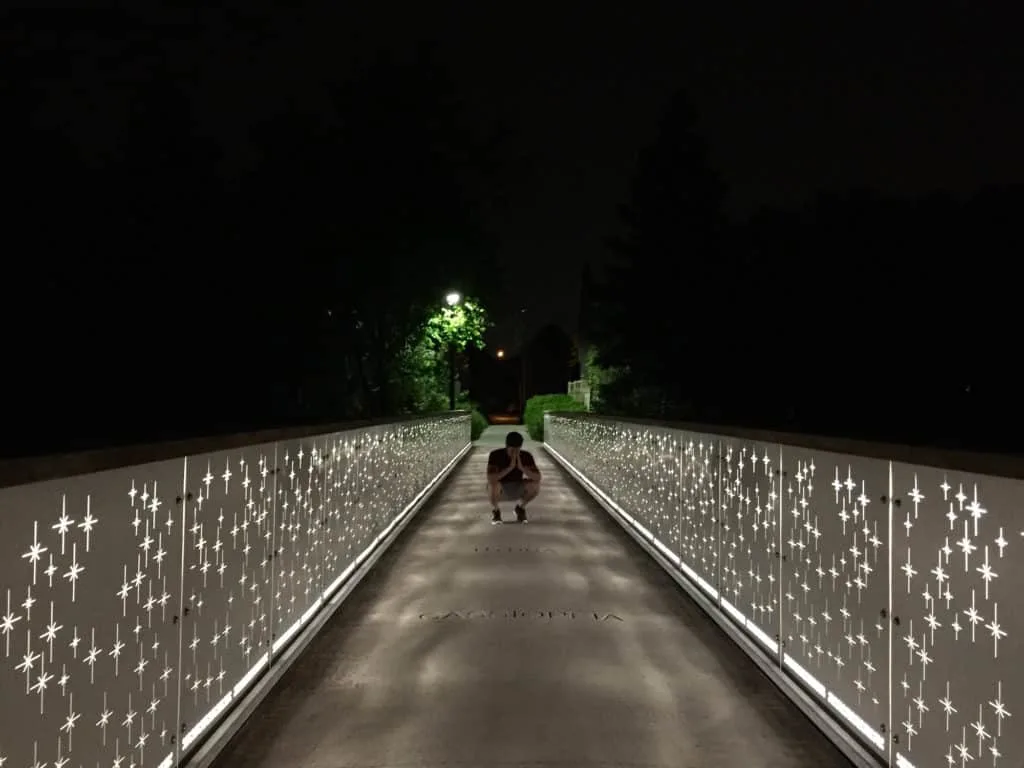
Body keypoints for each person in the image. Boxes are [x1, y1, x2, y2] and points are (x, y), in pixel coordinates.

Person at [486, 430, 541, 524]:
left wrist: (522, 468)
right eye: (512, 450)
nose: (515, 452)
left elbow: (537, 477)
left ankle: (520, 508)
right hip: (500, 488)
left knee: (535, 485)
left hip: (517, 486)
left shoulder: (526, 456)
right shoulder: (495, 455)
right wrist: (510, 468)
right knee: (493, 485)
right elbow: (491, 478)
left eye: (517, 449)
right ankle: (496, 512)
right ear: (507, 446)